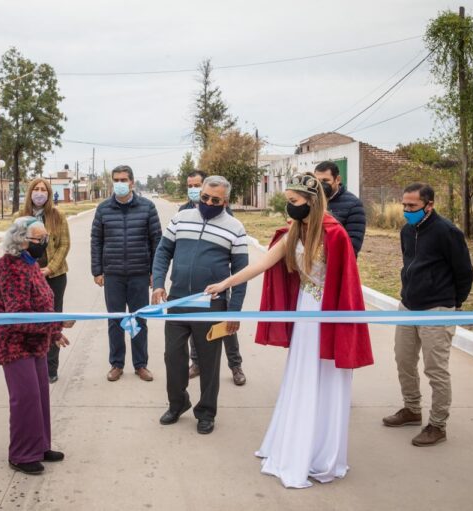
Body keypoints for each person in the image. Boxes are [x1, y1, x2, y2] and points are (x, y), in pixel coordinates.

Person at [206, 172, 373, 488]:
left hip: (328, 314)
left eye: (294, 202)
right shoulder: (293, 232)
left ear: (311, 201)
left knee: (324, 379)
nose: (290, 209)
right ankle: (295, 443)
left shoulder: (335, 235)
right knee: (302, 376)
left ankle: (320, 453)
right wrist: (226, 283)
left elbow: (347, 286)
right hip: (304, 311)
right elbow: (263, 264)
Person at [152, 175, 248, 435]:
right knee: (173, 357)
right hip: (178, 301)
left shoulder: (235, 228)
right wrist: (159, 282)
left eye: (214, 200)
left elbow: (241, 274)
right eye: (204, 197)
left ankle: (206, 412)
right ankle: (177, 402)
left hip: (211, 306)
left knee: (208, 362)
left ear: (225, 201)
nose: (207, 202)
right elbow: (163, 251)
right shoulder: (181, 218)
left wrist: (233, 311)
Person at [382, 183, 473, 446]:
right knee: (404, 360)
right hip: (408, 306)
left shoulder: (448, 232)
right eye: (404, 206)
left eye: (412, 206)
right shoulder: (407, 230)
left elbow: (464, 272)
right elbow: (408, 263)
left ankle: (437, 424)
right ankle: (411, 409)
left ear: (429, 205)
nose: (406, 211)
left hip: (437, 309)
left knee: (436, 369)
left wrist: (453, 304)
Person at [0, 217, 73, 475]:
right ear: (22, 240)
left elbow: (43, 305)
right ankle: (21, 454)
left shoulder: (31, 265)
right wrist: (56, 324)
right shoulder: (9, 267)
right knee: (25, 399)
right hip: (16, 345)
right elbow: (20, 314)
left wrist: (54, 332)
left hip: (36, 344)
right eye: (40, 239)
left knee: (39, 397)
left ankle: (39, 446)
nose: (45, 243)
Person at [91, 165, 162, 382]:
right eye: (116, 180)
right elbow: (97, 241)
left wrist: (154, 272)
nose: (119, 184)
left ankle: (141, 365)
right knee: (115, 320)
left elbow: (157, 241)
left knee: (139, 320)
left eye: (123, 179)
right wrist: (97, 270)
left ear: (132, 182)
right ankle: (116, 364)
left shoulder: (148, 208)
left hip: (140, 274)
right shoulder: (103, 209)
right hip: (113, 274)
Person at [179, 170, 245, 386]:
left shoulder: (226, 215)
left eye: (197, 185)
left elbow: (235, 259)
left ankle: (235, 365)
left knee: (226, 328)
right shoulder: (184, 211)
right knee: (196, 331)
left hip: (217, 287)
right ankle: (196, 363)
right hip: (192, 291)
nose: (194, 191)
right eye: (190, 186)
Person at [22, 177, 71, 383]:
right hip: (27, 278)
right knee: (29, 320)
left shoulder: (57, 216)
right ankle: (31, 363)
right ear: (30, 192)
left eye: (43, 190)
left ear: (49, 194)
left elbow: (64, 245)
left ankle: (51, 367)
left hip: (55, 277)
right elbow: (13, 245)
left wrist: (49, 269)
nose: (39, 193)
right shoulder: (20, 216)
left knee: (53, 320)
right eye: (36, 189)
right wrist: (28, 271)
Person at [313, 161, 366, 256]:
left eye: (325, 181)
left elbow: (353, 244)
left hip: (337, 262)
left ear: (337, 179)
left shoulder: (354, 204)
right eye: (318, 181)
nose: (321, 186)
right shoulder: (312, 202)